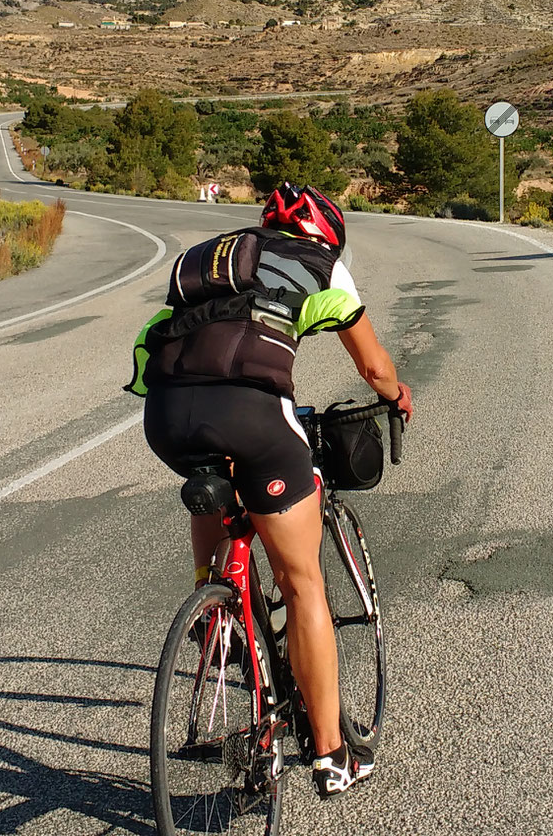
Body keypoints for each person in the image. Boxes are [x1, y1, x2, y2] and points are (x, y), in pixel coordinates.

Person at [126, 183, 412, 798]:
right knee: (301, 580)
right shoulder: (321, 264)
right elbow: (374, 367)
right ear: (325, 234)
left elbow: (158, 333)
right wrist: (396, 397)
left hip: (166, 416)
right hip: (251, 413)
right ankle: (333, 754)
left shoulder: (209, 255)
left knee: (215, 484)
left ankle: (217, 606)